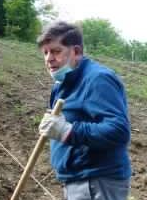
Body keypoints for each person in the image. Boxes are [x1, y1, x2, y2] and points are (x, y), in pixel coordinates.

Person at [37, 21, 131, 200]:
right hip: (77, 180)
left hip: (97, 181)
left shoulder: (98, 79)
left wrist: (68, 131)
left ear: (76, 51)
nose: (49, 58)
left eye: (56, 51)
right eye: (46, 52)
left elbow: (119, 131)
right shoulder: (62, 84)